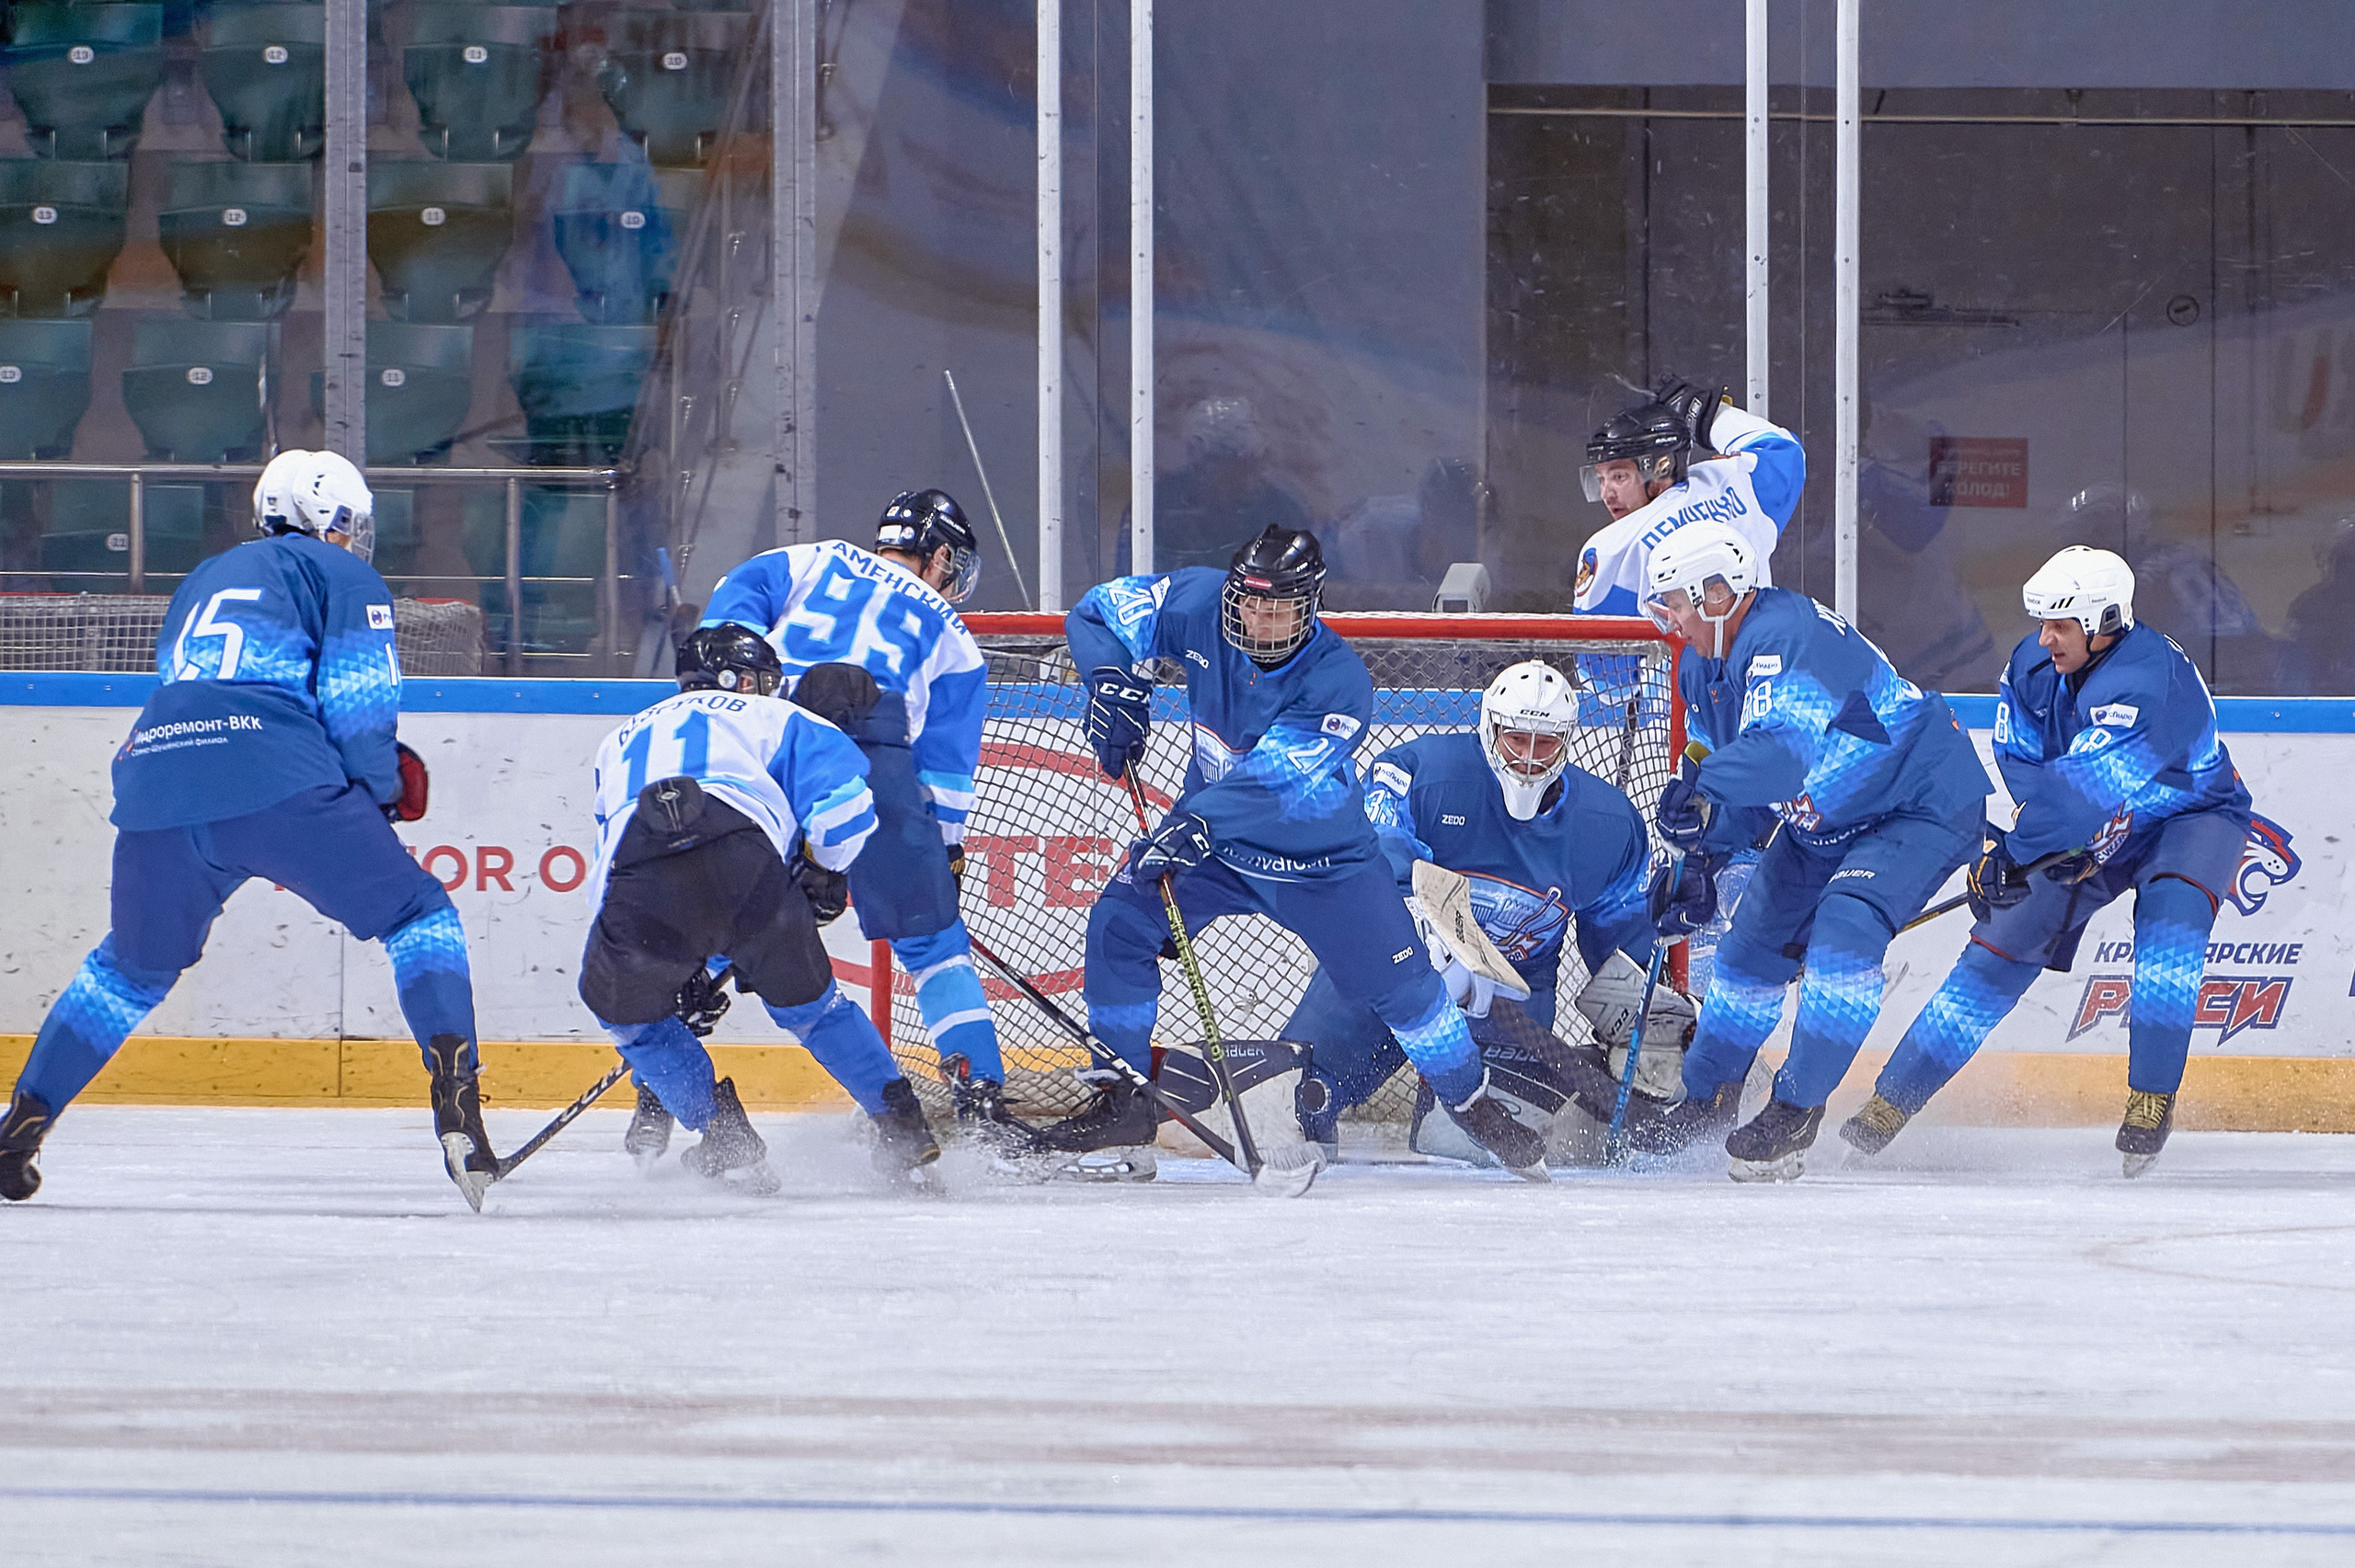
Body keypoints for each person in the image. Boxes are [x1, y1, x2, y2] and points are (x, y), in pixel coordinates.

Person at [0, 451, 497, 1208]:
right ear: (332, 518)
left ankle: (20, 1128)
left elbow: (192, 683)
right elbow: (359, 700)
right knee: (416, 913)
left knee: (128, 971)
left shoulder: (204, 577)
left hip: (156, 779)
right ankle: (457, 1099)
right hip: (275, 774)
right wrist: (378, 790)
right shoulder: (346, 576)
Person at [1040, 525, 1549, 1179]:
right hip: (1218, 849)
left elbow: (1278, 780)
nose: (1258, 618)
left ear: (1309, 607)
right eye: (1248, 603)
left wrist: (1199, 819)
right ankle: (1122, 1108)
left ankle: (1475, 1108)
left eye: (1277, 607)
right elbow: (1096, 612)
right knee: (1119, 922)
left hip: (1323, 865)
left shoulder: (1339, 682)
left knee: (1412, 998)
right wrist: (1111, 681)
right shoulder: (1197, 604)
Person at [1841, 546, 2253, 1177]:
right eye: (2043, 623)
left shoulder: (2149, 680)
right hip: (2082, 825)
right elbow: (2026, 765)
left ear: (2105, 622)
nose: (2045, 638)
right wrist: (2031, 841)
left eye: (2061, 626)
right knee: (1994, 951)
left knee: (2171, 933)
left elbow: (2091, 787)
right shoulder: (2033, 665)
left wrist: (2020, 848)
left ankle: (2150, 1099)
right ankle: (1888, 1103)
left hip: (2189, 818)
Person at [1601, 520, 1990, 1181]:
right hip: (1822, 823)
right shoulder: (1702, 662)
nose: (1667, 617)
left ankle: (1795, 1107)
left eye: (1674, 600)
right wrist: (1702, 858)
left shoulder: (1788, 639)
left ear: (1719, 593)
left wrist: (1700, 785)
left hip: (1916, 805)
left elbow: (1780, 760)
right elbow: (1739, 784)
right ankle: (1707, 1098)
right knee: (1747, 953)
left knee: (1845, 932)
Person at [693, 491, 1026, 1150]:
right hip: (876, 744)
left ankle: (667, 1067)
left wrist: (731, 691)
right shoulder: (956, 637)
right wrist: (946, 854)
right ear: (935, 555)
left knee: (726, 913)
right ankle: (981, 1101)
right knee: (933, 944)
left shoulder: (813, 559)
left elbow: (736, 596)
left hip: (772, 726)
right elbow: (948, 772)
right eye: (950, 562)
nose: (951, 577)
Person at [579, 624, 942, 1192]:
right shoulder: (774, 717)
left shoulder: (617, 740)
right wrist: (824, 870)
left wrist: (675, 970)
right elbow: (847, 808)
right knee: (816, 1010)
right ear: (743, 680)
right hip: (744, 861)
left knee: (630, 1019)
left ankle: (726, 1140)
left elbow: (613, 861)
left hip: (641, 874)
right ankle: (903, 1127)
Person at [1283, 659, 1680, 1155]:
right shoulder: (1421, 773)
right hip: (1393, 962)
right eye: (1517, 739)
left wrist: (1646, 1013)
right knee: (1297, 1101)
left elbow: (1620, 945)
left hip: (1511, 993)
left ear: (1567, 741)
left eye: (1546, 742)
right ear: (1489, 728)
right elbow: (1372, 854)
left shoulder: (1607, 826)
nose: (1530, 758)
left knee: (1470, 1143)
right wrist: (1420, 926)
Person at [1570, 376, 1805, 616]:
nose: (1606, 494)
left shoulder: (1612, 547)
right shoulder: (1734, 484)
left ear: (1660, 469)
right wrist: (1707, 416)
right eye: (1601, 479)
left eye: (1619, 477)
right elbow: (1783, 448)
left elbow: (1599, 648)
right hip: (1758, 648)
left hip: (1685, 654)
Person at [1113, 395, 1312, 576]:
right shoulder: (1155, 509)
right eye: (1245, 460)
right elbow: (1131, 590)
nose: (1259, 470)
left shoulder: (1282, 512)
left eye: (1259, 458)